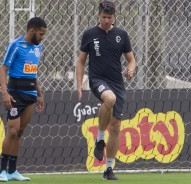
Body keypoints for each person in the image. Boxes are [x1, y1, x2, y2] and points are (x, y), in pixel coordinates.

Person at [75, 0, 136, 180]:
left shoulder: (122, 35)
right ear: (98, 15)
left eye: (109, 17)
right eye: (103, 17)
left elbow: (131, 59)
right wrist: (79, 84)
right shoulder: (90, 34)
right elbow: (80, 62)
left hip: (117, 82)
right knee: (109, 99)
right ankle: (100, 138)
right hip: (97, 79)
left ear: (114, 16)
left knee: (116, 127)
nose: (106, 20)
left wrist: (131, 69)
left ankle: (108, 169)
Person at [0, 17, 47, 182]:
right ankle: (2, 171)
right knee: (12, 131)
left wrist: (39, 94)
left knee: (19, 133)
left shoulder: (39, 47)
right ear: (31, 30)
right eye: (40, 34)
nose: (42, 37)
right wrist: (5, 93)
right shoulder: (16, 45)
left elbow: (34, 73)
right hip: (15, 95)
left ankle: (13, 171)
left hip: (30, 95)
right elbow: (3, 70)